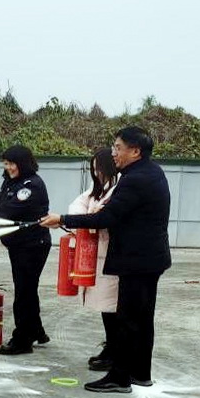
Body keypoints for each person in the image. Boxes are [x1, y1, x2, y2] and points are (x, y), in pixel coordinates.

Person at [41, 126, 170, 393]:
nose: (113, 153)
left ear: (135, 151)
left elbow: (107, 218)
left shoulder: (135, 179)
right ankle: (140, 373)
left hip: (136, 260)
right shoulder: (152, 172)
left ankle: (119, 378)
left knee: (128, 319)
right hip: (149, 258)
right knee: (142, 319)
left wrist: (62, 219)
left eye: (118, 148)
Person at [0, 145, 51, 355]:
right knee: (27, 289)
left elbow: (6, 211)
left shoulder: (31, 186)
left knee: (24, 291)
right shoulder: (11, 182)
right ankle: (36, 331)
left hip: (32, 246)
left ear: (23, 163)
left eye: (11, 163)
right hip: (18, 245)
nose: (8, 167)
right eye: (6, 164)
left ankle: (23, 340)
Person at [67, 148, 120, 370]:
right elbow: (78, 206)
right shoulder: (98, 188)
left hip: (112, 254)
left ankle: (115, 352)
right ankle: (111, 346)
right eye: (94, 169)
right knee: (105, 307)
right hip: (96, 254)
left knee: (113, 307)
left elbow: (100, 216)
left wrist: (87, 218)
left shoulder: (118, 187)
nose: (97, 173)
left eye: (100, 168)